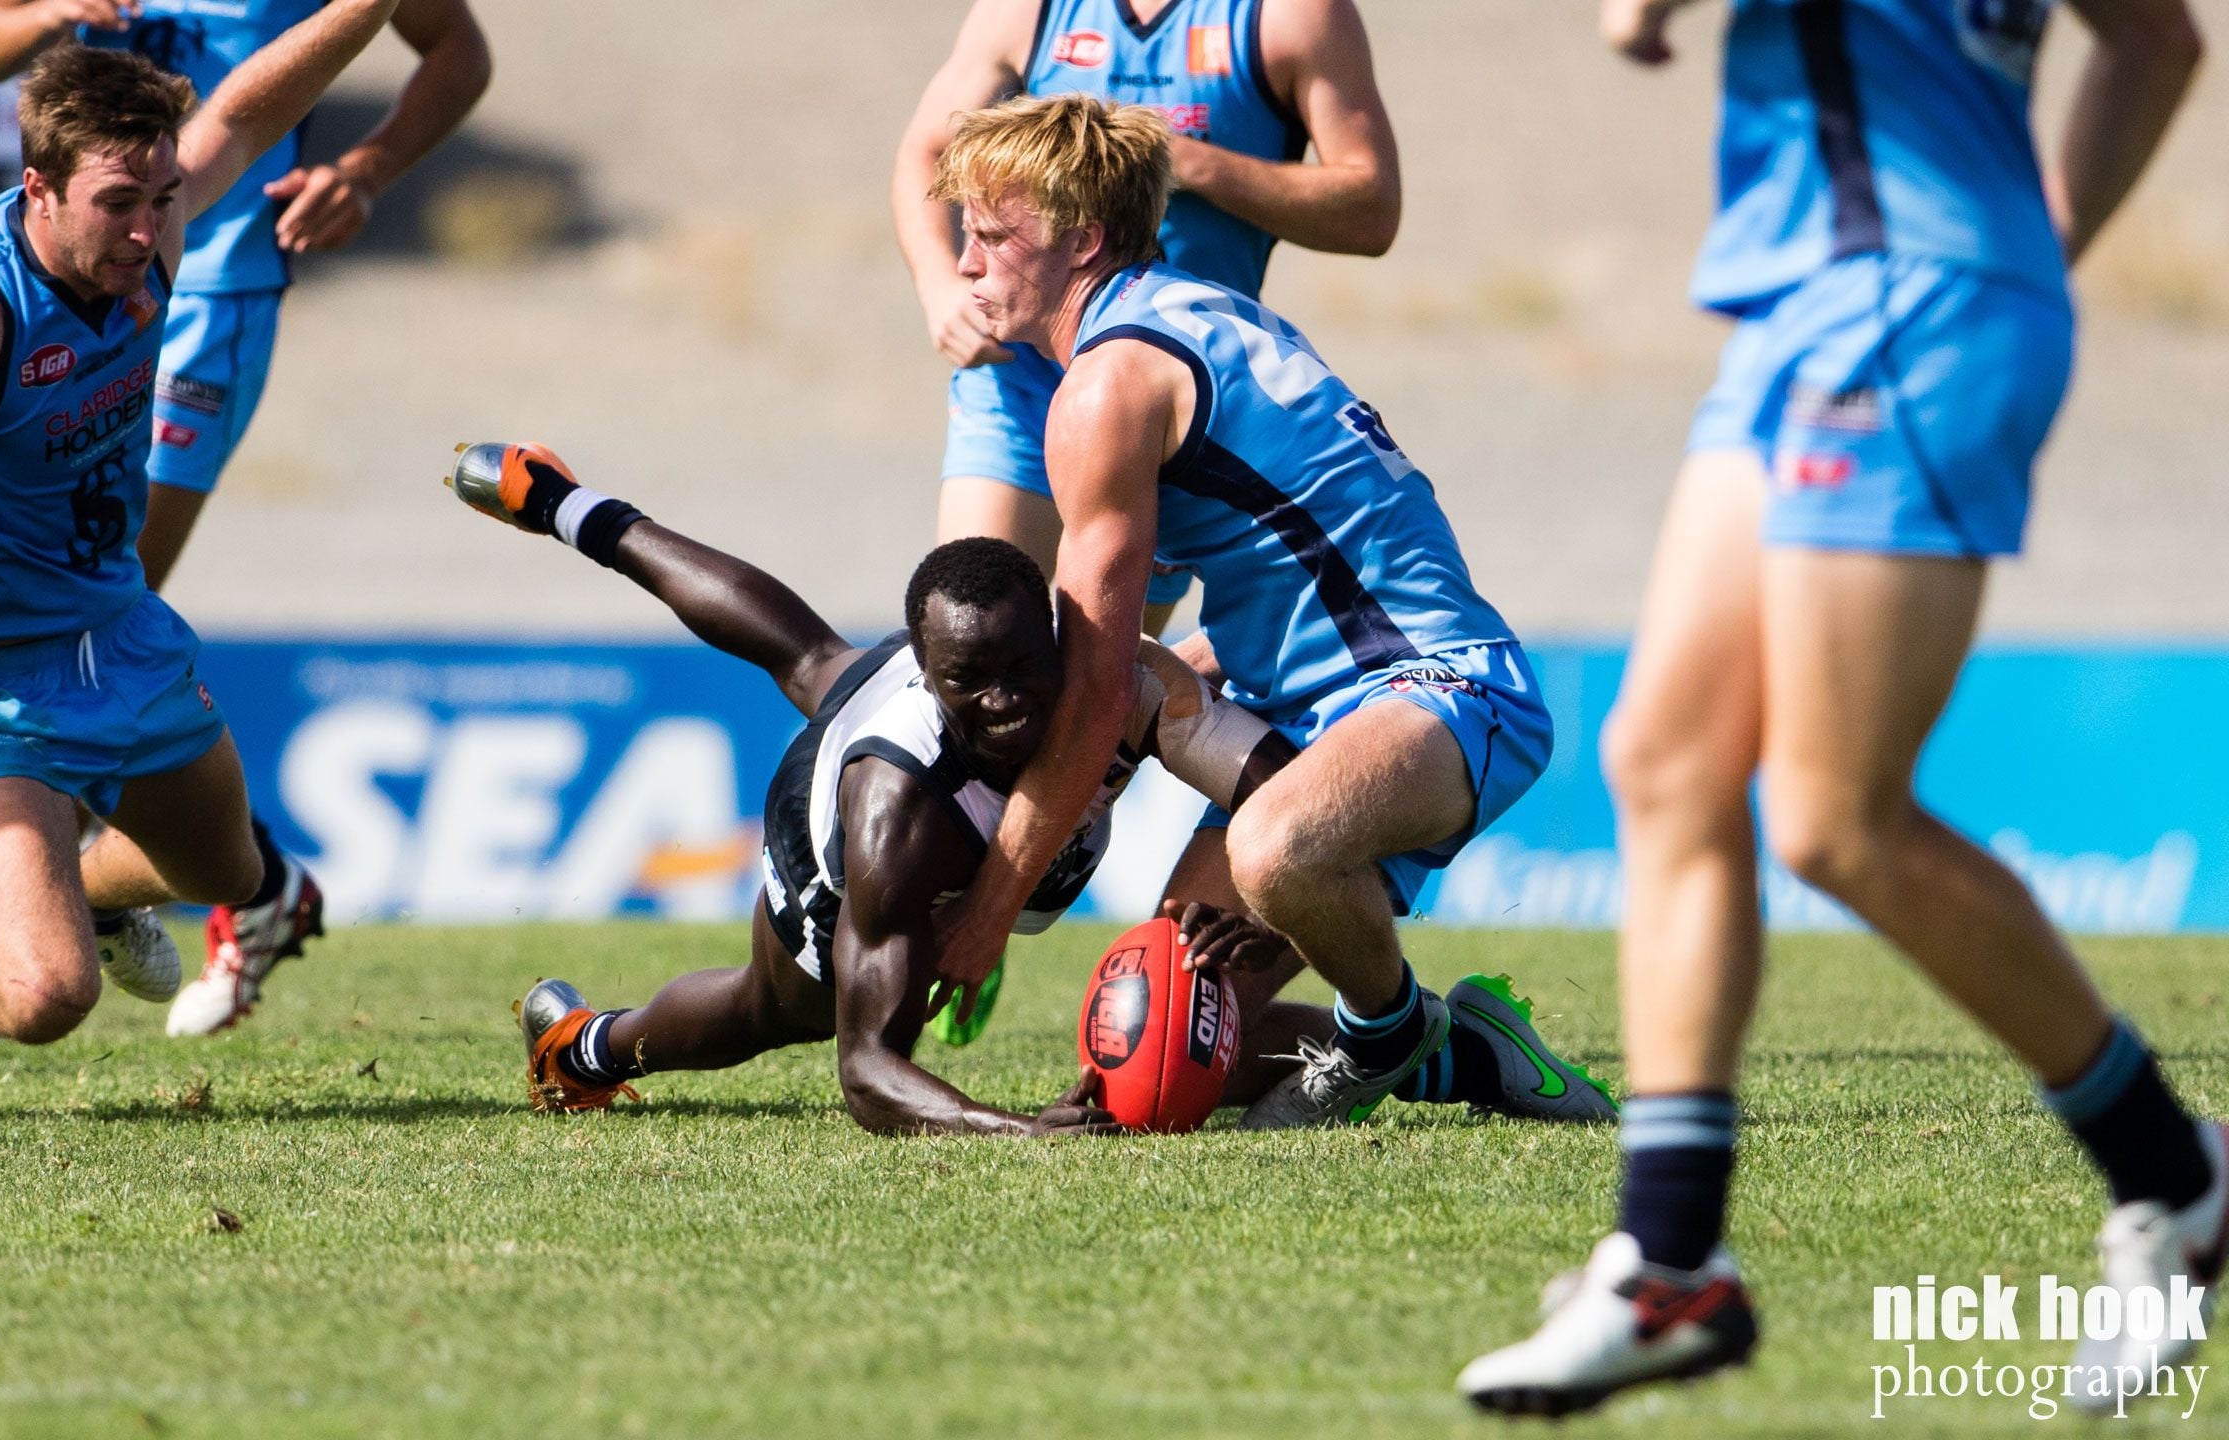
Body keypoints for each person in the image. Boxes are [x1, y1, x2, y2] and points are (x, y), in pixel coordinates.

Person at [1456, 0, 2211, 1416]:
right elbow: (2158, 45)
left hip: (1905, 296)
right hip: (1823, 300)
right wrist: (2031, 249)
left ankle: (2177, 1181)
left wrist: (1995, 264)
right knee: (1671, 758)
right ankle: (1671, 1263)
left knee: (1831, 816)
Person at [443, 440, 1611, 1133]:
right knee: (775, 1014)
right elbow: (868, 1076)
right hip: (848, 869)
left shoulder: (1114, 678)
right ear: (932, 677)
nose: (1007, 700)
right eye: (970, 682)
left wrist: (1263, 901)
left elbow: (1282, 785)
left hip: (975, 808)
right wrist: (1014, 1135)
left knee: (1179, 1030)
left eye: (1024, 672)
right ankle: (590, 1049)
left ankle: (1460, 1050)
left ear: (1066, 645)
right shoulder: (895, 813)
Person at [0, 4, 399, 1119]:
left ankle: (81, 897)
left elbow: (249, 104)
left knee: (231, 874)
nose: (148, 232)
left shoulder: (152, 226)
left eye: (162, 200)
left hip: (123, 635)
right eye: (118, 206)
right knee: (51, 996)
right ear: (39, 189)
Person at [917, 94, 1608, 1134]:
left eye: (992, 235)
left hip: (1444, 694)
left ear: (1085, 237)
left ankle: (1383, 1031)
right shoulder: (1189, 313)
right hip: (1307, 710)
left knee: (1275, 850)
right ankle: (1459, 1050)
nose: (966, 264)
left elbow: (1100, 686)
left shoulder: (1107, 388)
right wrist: (1159, 702)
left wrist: (987, 912)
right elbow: (1253, 588)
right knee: (1157, 1038)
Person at [0, 0, 490, 1033]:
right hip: (55, 273)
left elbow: (458, 51)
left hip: (212, 280)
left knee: (108, 588)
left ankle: (38, 936)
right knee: (54, 601)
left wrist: (365, 170)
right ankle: (157, 900)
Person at [894, 0, 1399, 636]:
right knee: (970, 635)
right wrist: (939, 285)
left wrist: (1188, 163)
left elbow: (1373, 211)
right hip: (1018, 383)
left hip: (1171, 408)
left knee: (1104, 675)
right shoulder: (1025, 11)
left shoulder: (1294, 16)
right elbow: (928, 150)